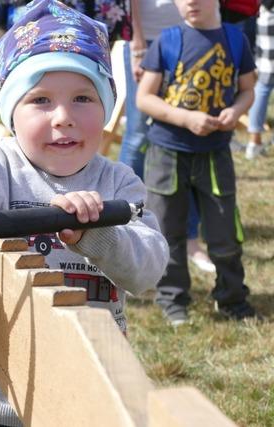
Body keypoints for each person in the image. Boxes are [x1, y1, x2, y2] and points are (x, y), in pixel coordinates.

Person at [0, 1, 169, 424]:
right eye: (41, 100)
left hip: (87, 394)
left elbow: (148, 270)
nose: (63, 117)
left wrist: (96, 232)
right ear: (11, 113)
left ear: (106, 108)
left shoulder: (120, 183)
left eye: (83, 97)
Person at [136, 0, 259, 325]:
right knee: (169, 230)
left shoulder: (235, 39)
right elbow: (144, 98)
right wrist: (184, 118)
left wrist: (236, 110)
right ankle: (173, 299)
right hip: (167, 152)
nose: (190, 1)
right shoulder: (167, 40)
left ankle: (232, 298)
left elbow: (248, 89)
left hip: (215, 153)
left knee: (224, 232)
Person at [120, 0, 215, 274]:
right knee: (138, 137)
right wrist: (137, 42)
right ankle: (123, 221)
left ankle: (191, 238)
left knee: (186, 136)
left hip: (189, 36)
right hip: (146, 39)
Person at [246, 4, 274, 160]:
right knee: (263, 88)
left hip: (264, 15)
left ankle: (254, 142)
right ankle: (254, 142)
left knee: (262, 87)